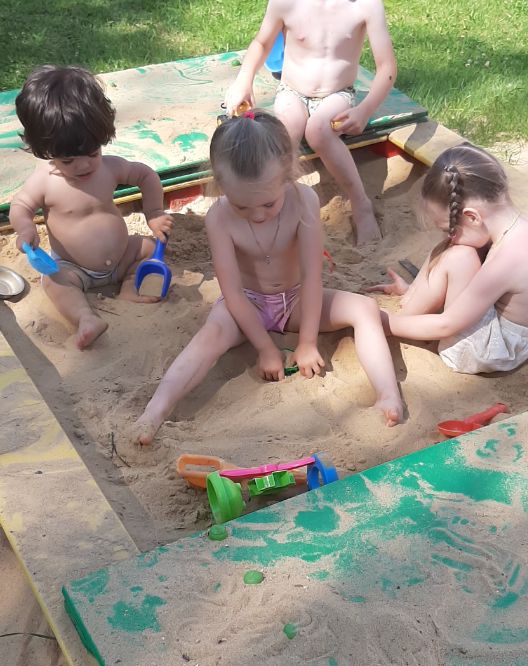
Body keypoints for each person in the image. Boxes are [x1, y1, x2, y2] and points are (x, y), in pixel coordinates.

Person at [134, 112, 402, 443]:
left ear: (289, 172)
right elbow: (232, 291)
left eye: (268, 203)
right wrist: (265, 347)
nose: (257, 215)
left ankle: (388, 395)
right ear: (220, 185)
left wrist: (307, 342)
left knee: (365, 309)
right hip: (247, 302)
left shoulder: (304, 201)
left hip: (297, 298)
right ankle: (154, 412)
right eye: (242, 207)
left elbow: (312, 276)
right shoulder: (218, 217)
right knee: (209, 335)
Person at [223, 0, 397, 247]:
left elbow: (387, 68)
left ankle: (360, 203)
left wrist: (364, 110)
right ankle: (277, 204)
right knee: (281, 135)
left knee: (319, 130)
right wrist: (243, 81)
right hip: (292, 91)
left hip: (337, 95)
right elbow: (261, 44)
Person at [9, 65, 172, 349]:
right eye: (68, 161)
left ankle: (128, 288)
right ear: (46, 150)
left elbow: (146, 175)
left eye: (92, 153)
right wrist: (25, 230)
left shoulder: (109, 168)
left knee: (148, 247)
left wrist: (154, 213)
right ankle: (86, 318)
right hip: (75, 268)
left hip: (122, 256)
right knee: (54, 281)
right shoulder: (45, 181)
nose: (83, 165)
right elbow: (21, 205)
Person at [369, 144, 528, 373]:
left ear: (472, 217)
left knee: (458, 256)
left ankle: (404, 314)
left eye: (449, 229)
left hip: (492, 350)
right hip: (524, 338)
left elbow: (446, 325)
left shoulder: (507, 261)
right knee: (453, 248)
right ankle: (415, 296)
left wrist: (387, 323)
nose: (448, 236)